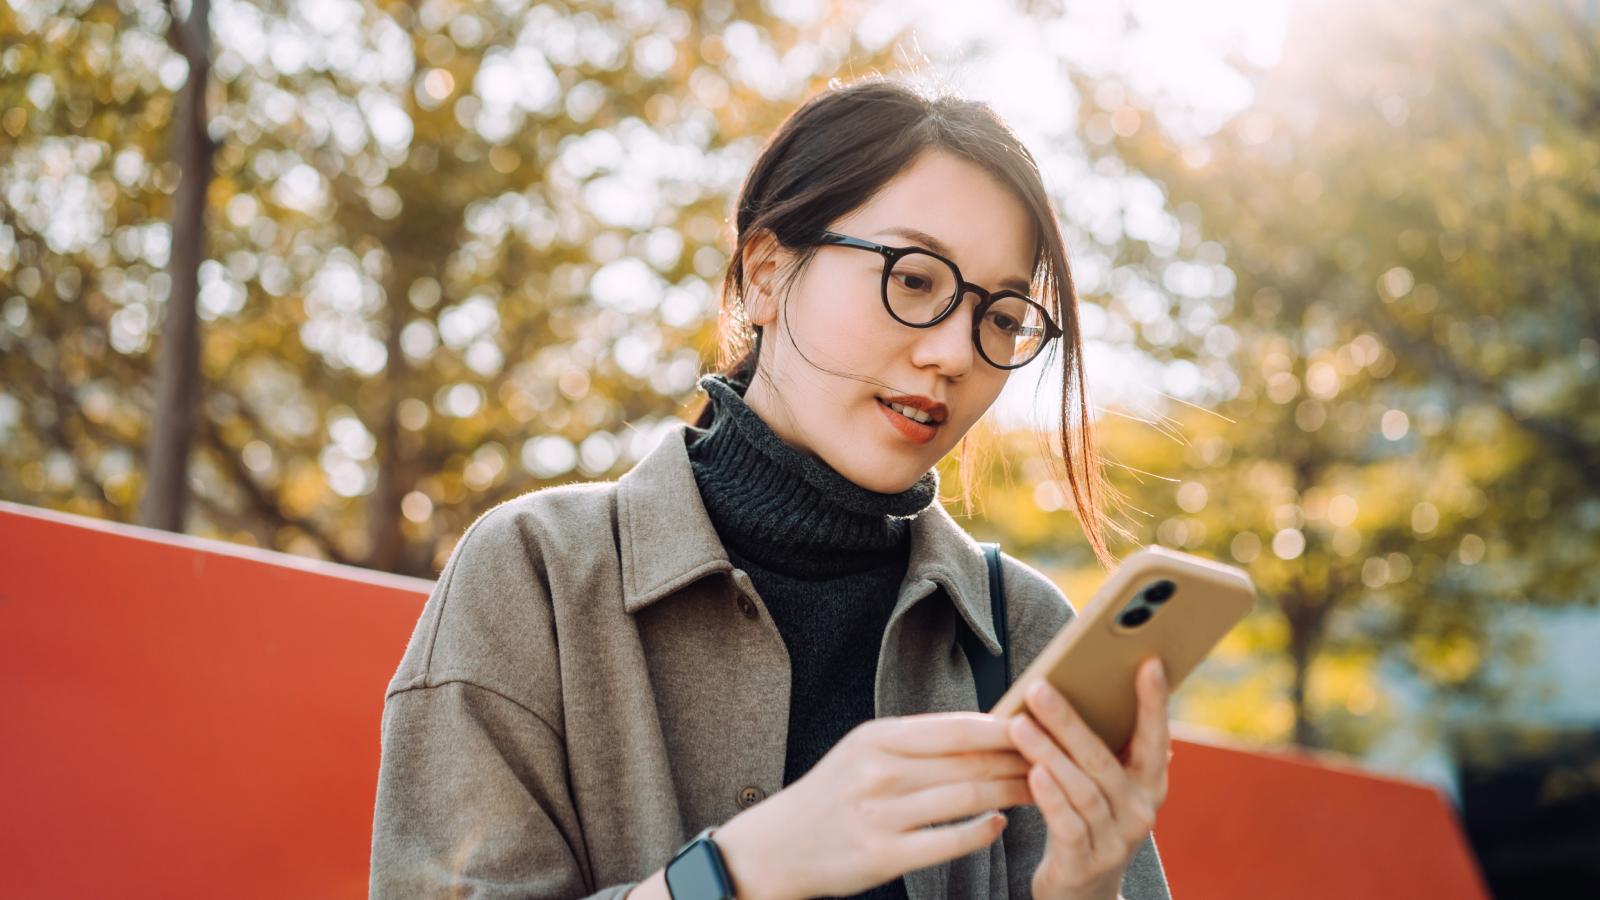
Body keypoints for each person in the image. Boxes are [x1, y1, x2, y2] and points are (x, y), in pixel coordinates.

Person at [370, 74, 1174, 900]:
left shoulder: (1025, 633)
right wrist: (734, 874)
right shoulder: (536, 574)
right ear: (764, 273)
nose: (955, 354)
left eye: (1001, 317)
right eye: (914, 279)